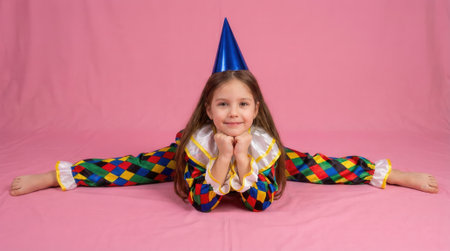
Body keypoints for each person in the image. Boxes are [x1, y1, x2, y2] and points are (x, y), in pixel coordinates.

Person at [9, 19, 438, 212]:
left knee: (321, 166)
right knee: (131, 167)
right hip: (203, 157)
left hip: (255, 156)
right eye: (223, 104)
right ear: (208, 110)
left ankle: (390, 174)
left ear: (257, 109)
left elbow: (259, 204)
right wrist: (219, 159)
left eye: (243, 104)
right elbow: (201, 203)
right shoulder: (192, 148)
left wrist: (245, 159)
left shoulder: (269, 149)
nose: (234, 113)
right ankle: (55, 177)